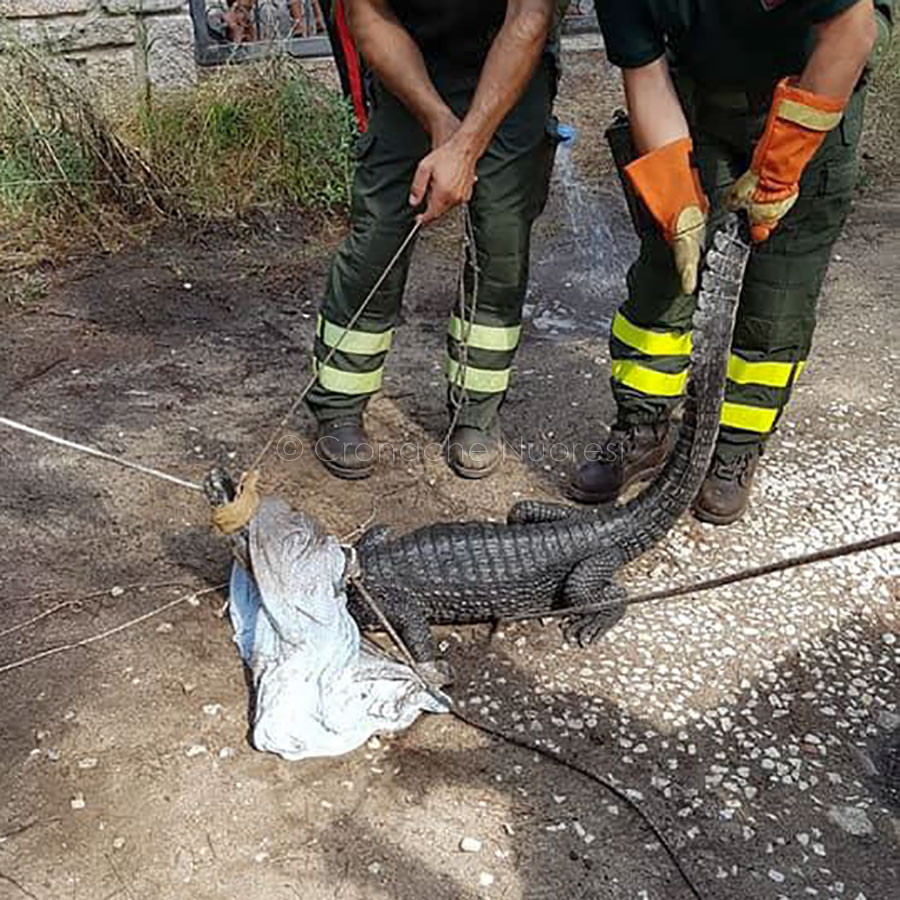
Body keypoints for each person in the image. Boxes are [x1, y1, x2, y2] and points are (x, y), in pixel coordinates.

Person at [573, 0, 893, 524]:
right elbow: (645, 73)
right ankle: (641, 426)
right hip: (698, 97)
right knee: (667, 275)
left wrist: (779, 170)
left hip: (814, 84)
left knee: (778, 292)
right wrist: (676, 201)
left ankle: (735, 447)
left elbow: (851, 31)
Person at [306, 0, 562, 480]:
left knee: (501, 236)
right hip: (410, 54)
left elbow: (528, 17)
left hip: (509, 55)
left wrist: (466, 148)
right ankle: (338, 402)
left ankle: (476, 411)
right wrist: (439, 122)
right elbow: (370, 17)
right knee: (379, 234)